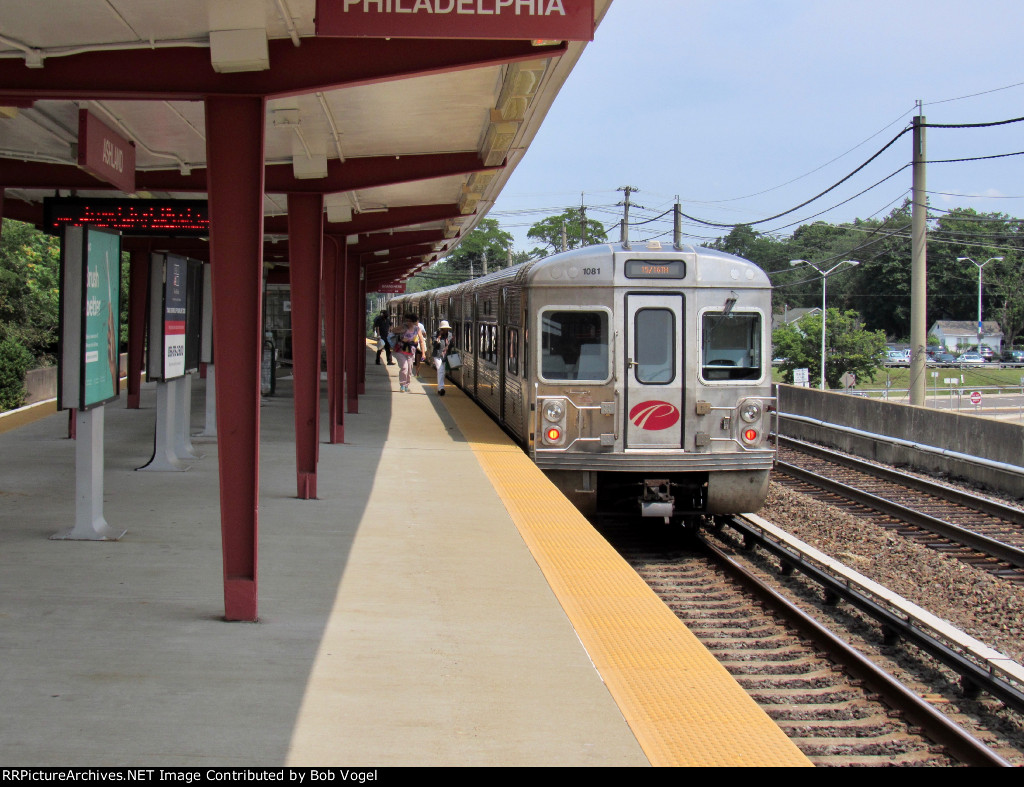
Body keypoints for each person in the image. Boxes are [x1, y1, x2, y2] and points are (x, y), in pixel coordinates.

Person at [393, 313, 426, 393]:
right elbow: (393, 330)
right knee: (404, 367)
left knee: (410, 369)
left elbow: (421, 341)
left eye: (410, 321)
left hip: (411, 351)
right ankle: (402, 385)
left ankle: (407, 385)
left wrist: (423, 353)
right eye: (407, 320)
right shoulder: (403, 326)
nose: (408, 322)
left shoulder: (417, 329)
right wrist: (400, 331)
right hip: (401, 350)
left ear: (414, 321)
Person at [431, 320, 455, 396]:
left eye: (446, 328)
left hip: (445, 356)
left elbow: (451, 346)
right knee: (440, 370)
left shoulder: (450, 335)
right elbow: (435, 345)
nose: (445, 330)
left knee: (442, 371)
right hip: (437, 355)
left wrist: (452, 342)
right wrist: (439, 337)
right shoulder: (435, 334)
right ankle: (441, 388)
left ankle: (440, 388)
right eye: (444, 328)